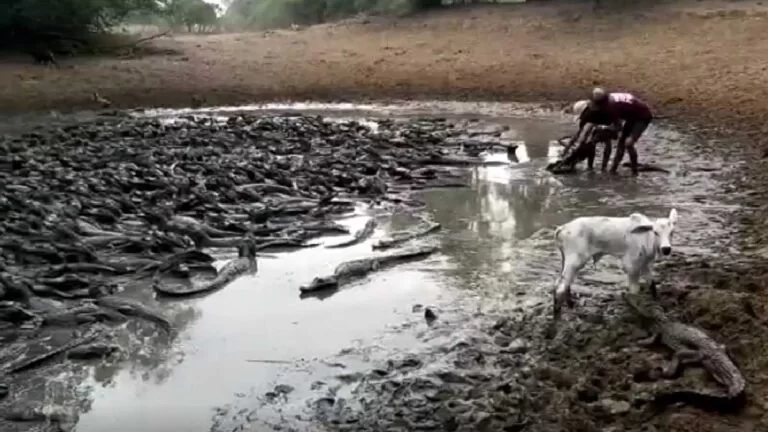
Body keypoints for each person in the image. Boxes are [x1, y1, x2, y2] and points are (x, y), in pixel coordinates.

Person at [589, 87, 654, 175]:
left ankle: (634, 171)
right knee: (622, 141)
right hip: (631, 116)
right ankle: (613, 169)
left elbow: (618, 126)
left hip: (643, 117)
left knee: (628, 143)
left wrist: (608, 131)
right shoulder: (609, 101)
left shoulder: (610, 106)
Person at [564, 96, 621, 171]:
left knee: (599, 140)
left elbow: (585, 132)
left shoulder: (597, 112)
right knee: (592, 142)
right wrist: (567, 150)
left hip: (613, 123)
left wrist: (579, 146)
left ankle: (602, 167)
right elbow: (580, 133)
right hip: (608, 123)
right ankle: (591, 166)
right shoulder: (592, 113)